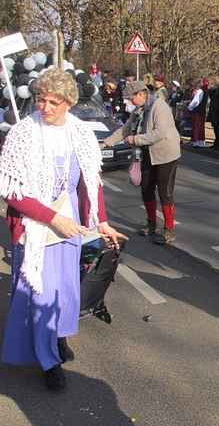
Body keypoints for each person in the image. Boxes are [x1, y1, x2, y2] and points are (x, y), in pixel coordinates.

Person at [0, 68, 125, 391]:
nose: (46, 107)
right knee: (39, 295)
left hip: (70, 224)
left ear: (68, 102)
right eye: (41, 100)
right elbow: (14, 193)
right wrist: (52, 219)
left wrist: (102, 222)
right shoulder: (23, 134)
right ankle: (48, 361)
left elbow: (90, 181)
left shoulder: (80, 133)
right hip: (36, 227)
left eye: (54, 102)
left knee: (65, 291)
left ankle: (57, 338)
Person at [103, 81, 181, 245]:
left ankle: (169, 230)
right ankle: (151, 224)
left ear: (141, 94)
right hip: (147, 153)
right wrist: (106, 143)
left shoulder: (159, 106)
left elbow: (159, 133)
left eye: (131, 98)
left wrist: (136, 139)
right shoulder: (139, 110)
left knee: (165, 193)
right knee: (146, 189)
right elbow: (125, 129)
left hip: (165, 154)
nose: (129, 102)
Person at [188, 77, 208, 147]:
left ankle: (196, 141)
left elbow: (196, 101)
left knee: (196, 126)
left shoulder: (200, 91)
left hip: (197, 111)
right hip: (202, 111)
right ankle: (201, 141)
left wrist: (189, 107)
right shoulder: (205, 91)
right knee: (201, 127)